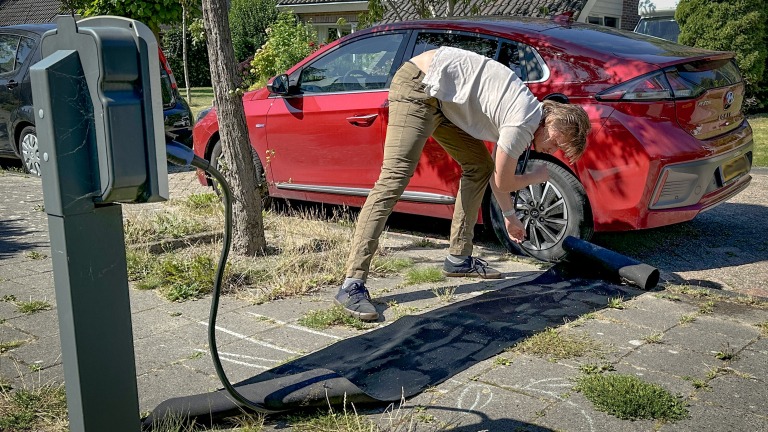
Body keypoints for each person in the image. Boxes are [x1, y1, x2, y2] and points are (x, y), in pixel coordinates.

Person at [335, 46, 591, 320]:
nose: (553, 152)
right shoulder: (523, 121)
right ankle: (352, 284)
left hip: (443, 98)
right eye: (557, 144)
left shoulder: (525, 116)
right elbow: (504, 181)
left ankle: (458, 258)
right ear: (554, 125)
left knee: (479, 167)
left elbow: (496, 176)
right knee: (394, 178)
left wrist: (509, 216)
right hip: (419, 85)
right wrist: (535, 177)